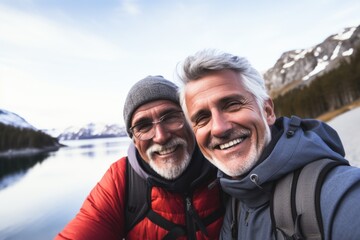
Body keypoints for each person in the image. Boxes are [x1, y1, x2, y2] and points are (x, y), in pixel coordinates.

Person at [177, 49, 360, 239]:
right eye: (202, 118)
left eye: (232, 105)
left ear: (268, 111)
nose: (218, 128)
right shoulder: (233, 201)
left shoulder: (338, 194)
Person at [56, 76, 224, 239]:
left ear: (189, 120)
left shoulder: (224, 162)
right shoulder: (121, 179)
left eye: (171, 117)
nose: (161, 136)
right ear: (134, 140)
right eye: (143, 126)